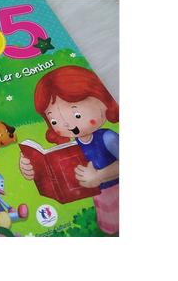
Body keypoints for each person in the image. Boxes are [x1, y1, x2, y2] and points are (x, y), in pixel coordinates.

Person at [19, 66, 119, 235]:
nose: (65, 124)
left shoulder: (107, 137)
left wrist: (99, 176)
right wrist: (32, 168)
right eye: (54, 121)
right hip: (100, 197)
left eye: (77, 114)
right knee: (109, 228)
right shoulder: (74, 145)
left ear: (102, 100)